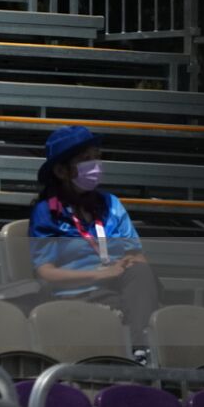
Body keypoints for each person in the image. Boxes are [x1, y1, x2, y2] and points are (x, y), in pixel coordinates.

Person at [29, 125, 160, 356]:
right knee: (126, 309)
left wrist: (127, 264)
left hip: (119, 289)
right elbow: (46, 272)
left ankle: (140, 351)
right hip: (76, 294)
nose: (95, 166)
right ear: (61, 171)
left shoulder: (111, 204)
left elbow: (136, 255)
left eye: (97, 157)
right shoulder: (47, 212)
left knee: (141, 272)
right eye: (85, 160)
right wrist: (100, 275)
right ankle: (138, 351)